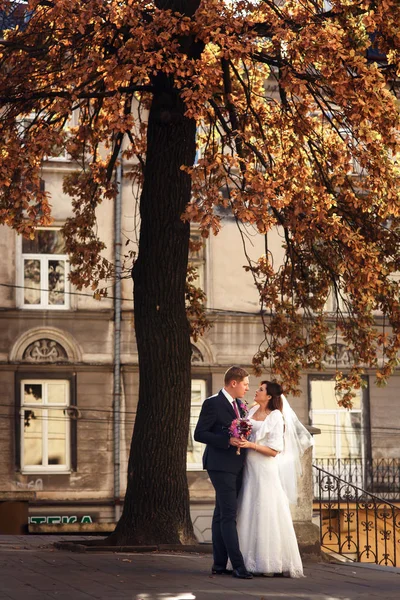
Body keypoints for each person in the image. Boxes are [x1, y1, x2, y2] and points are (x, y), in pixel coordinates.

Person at [235, 380, 313, 577]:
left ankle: (268, 562)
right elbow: (244, 429)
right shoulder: (251, 412)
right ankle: (244, 559)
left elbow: (274, 450)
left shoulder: (276, 417)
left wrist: (250, 446)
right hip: (249, 467)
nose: (256, 391)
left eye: (260, 389)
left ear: (269, 396)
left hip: (264, 469)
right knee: (248, 508)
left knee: (266, 511)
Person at [194, 366, 253, 579]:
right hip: (219, 465)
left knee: (220, 514)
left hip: (237, 464)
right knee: (229, 515)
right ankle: (238, 566)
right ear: (233, 383)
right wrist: (227, 440)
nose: (247, 387)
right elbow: (199, 433)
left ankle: (219, 564)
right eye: (245, 383)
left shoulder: (241, 405)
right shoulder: (212, 403)